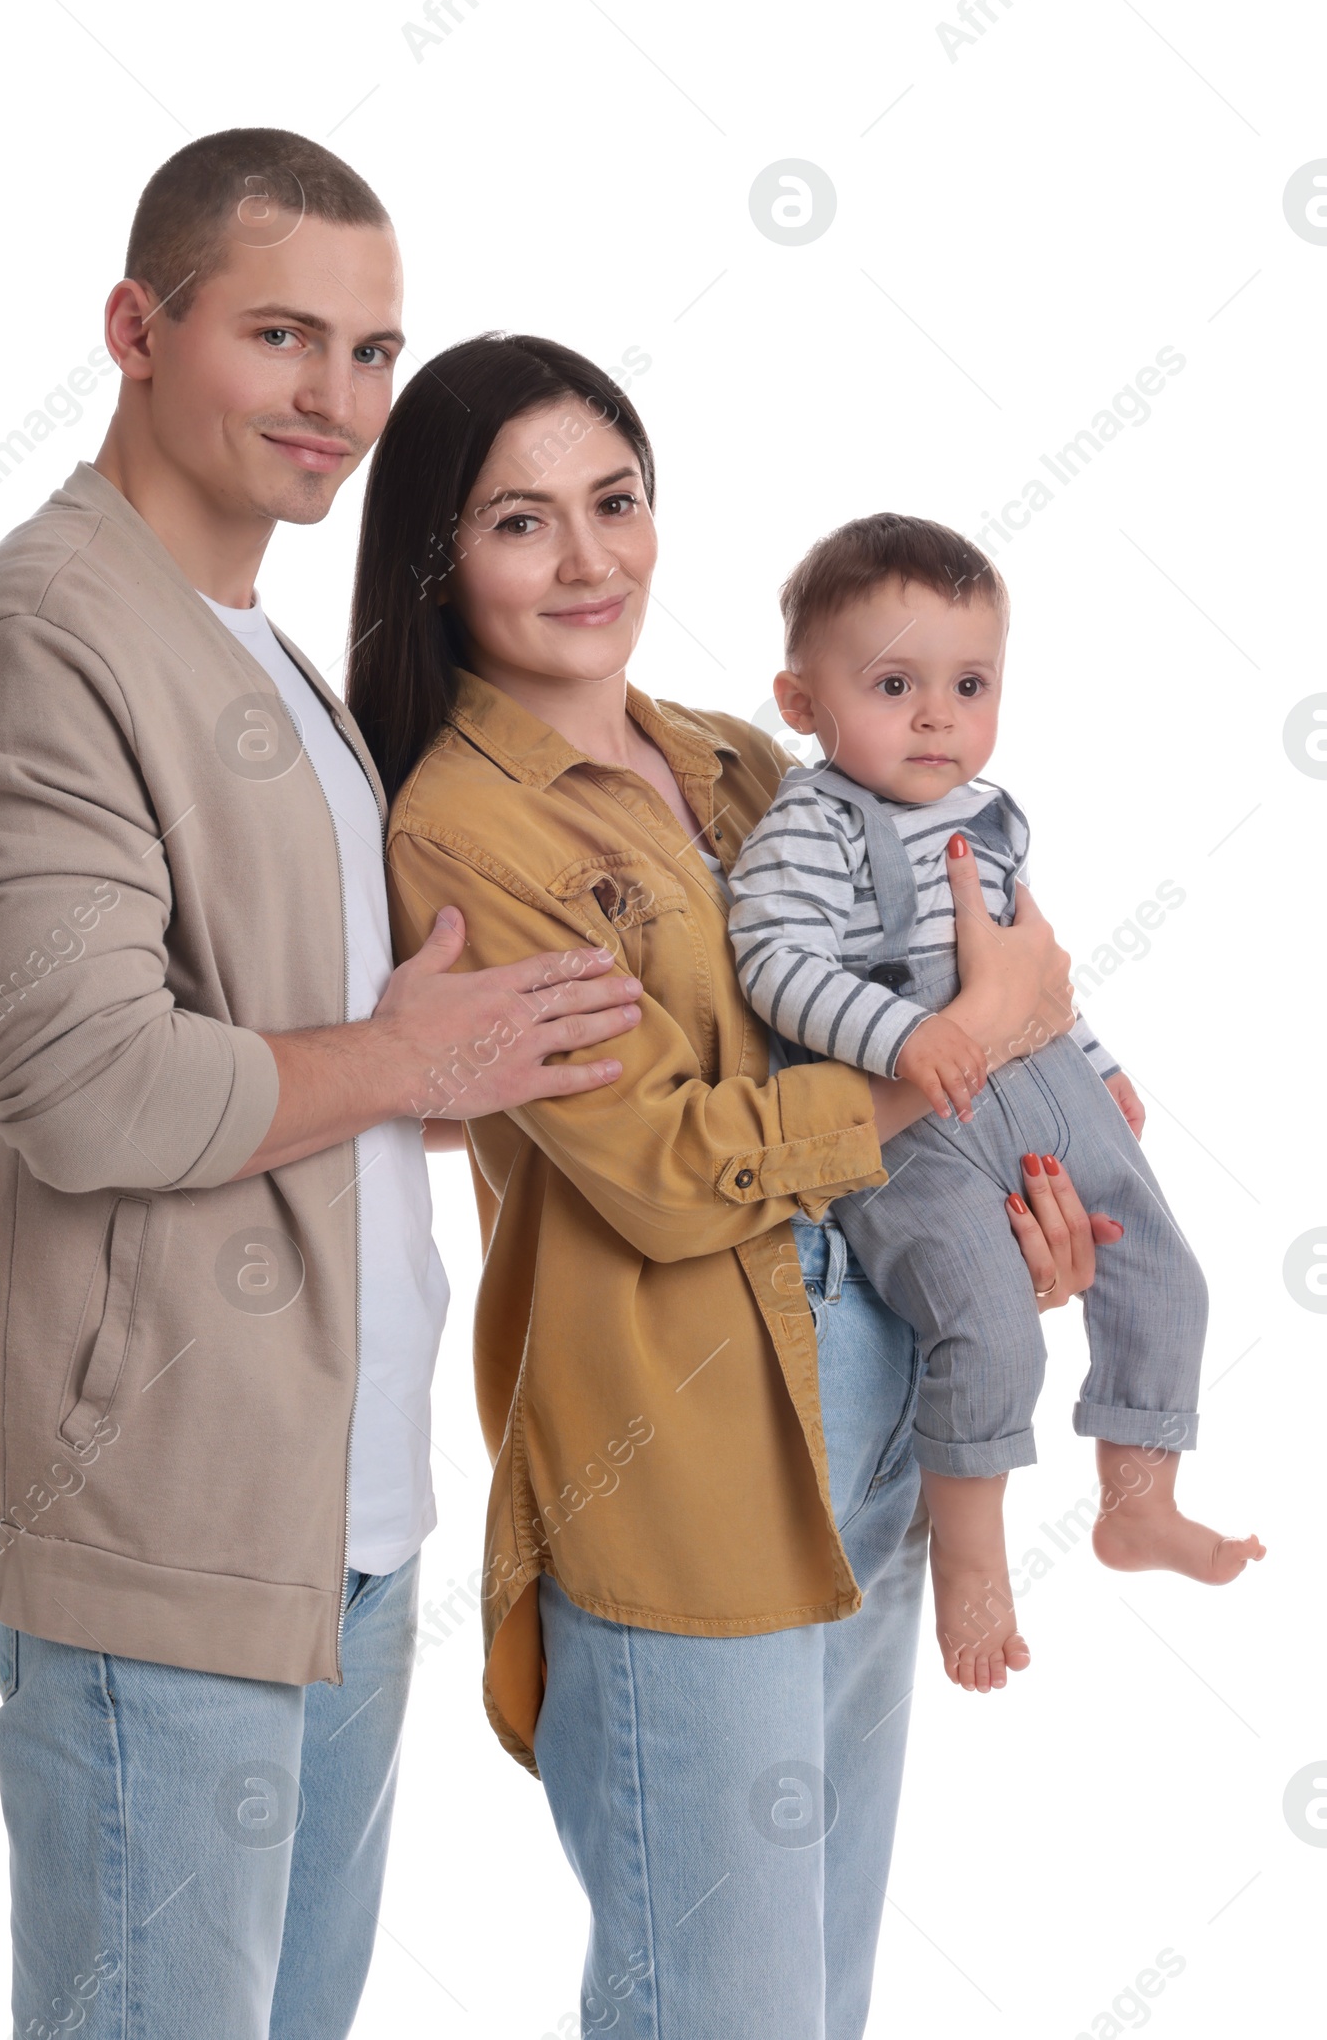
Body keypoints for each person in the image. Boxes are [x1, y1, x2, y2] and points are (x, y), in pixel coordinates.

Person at [0, 132, 645, 2039]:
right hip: (151, 1524)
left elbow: (313, 1069)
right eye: (282, 336)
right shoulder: (42, 638)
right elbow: (95, 1088)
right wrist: (412, 1051)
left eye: (370, 353)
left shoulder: (268, 659)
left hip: (336, 1528)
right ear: (135, 326)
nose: (337, 401)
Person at [347, 332, 1119, 2037]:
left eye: (613, 503)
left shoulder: (739, 764)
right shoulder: (466, 831)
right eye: (520, 522)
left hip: (880, 1414)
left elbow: (918, 1012)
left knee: (818, 1992)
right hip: (681, 1457)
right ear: (437, 557)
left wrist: (1012, 1212)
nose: (589, 557)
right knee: (725, 2007)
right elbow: (670, 1171)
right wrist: (975, 1040)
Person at [728, 512, 1263, 1694]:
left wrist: (1096, 1054)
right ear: (802, 701)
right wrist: (914, 1033)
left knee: (1164, 1267)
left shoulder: (983, 817)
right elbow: (773, 962)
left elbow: (1030, 963)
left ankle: (1138, 1500)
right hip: (905, 1112)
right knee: (987, 1325)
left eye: (968, 684)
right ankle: (971, 1562)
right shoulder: (810, 830)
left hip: (1037, 1074)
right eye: (894, 684)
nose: (937, 717)